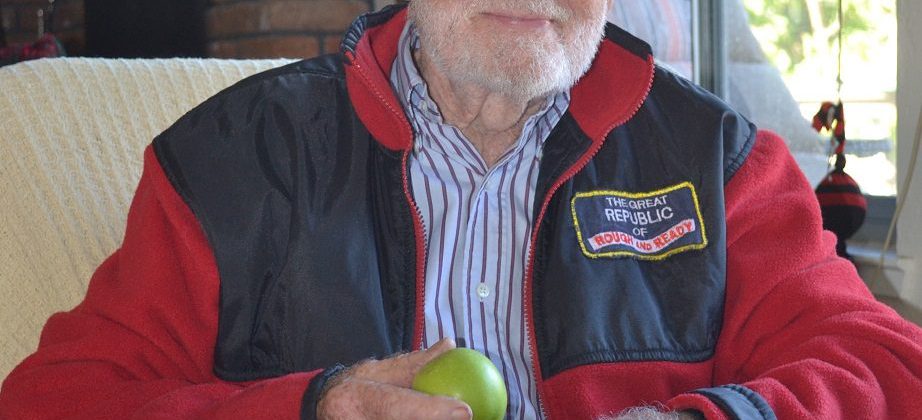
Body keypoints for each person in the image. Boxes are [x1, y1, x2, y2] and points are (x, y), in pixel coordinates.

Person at [1, 0, 921, 419]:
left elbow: (887, 366)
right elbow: (54, 402)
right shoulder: (229, 161)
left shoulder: (718, 163)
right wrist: (316, 408)